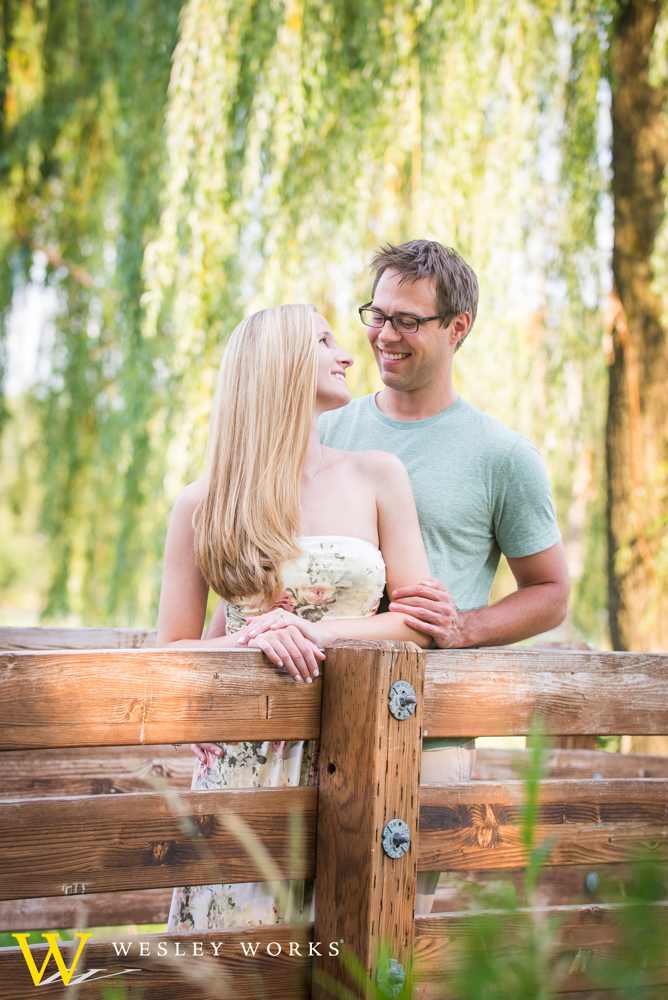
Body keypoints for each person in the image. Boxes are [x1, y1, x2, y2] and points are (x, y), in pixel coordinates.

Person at [208, 240, 570, 913]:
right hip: (299, 718)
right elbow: (248, 567)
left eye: (408, 320)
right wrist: (218, 666)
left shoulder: (503, 456)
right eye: (376, 315)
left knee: (383, 928)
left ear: (457, 327)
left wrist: (461, 628)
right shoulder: (322, 421)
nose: (382, 336)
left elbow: (551, 594)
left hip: (422, 723)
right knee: (273, 926)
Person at [158, 303, 433, 931]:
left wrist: (316, 631)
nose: (346, 354)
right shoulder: (203, 502)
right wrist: (251, 640)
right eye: (326, 341)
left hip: (358, 753)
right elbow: (171, 648)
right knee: (234, 956)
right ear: (280, 365)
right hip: (242, 758)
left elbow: (416, 625)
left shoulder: (378, 475)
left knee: (345, 950)